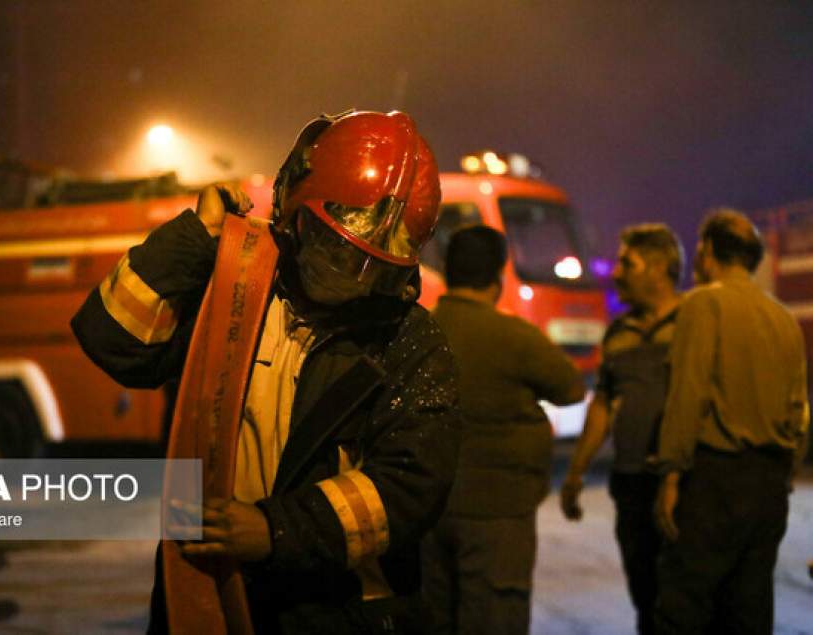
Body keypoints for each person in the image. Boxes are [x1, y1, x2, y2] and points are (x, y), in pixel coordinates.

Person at [71, 110, 461, 633]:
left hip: (334, 611)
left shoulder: (409, 341)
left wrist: (275, 531)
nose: (347, 277)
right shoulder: (231, 290)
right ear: (292, 209)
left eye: (371, 266)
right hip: (204, 591)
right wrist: (195, 238)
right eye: (336, 250)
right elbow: (111, 338)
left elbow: (410, 487)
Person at [421, 225, 585, 634]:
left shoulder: (419, 333)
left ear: (446, 268)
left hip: (427, 511)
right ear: (498, 276)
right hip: (498, 514)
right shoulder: (514, 337)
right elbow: (571, 388)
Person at [652, 209, 810, 634]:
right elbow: (799, 411)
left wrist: (670, 475)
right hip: (769, 484)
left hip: (714, 481)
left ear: (706, 253)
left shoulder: (703, 304)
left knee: (684, 604)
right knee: (749, 608)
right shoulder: (784, 320)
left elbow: (688, 393)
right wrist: (784, 471)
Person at [560, 223, 683, 635]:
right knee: (645, 598)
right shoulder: (618, 334)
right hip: (630, 484)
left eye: (626, 263)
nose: (614, 272)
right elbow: (604, 405)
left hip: (679, 486)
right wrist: (576, 473)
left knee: (683, 601)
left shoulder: (692, 327)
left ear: (659, 267)